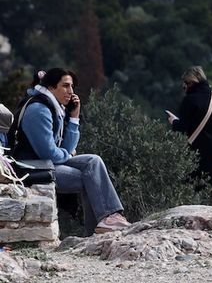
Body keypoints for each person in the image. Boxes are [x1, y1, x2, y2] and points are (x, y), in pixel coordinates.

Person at [7, 68, 130, 235]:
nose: (71, 91)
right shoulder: (39, 110)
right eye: (65, 86)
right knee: (90, 177)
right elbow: (49, 153)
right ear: (51, 87)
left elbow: (66, 148)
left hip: (47, 163)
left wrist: (74, 117)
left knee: (93, 161)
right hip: (32, 167)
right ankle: (101, 225)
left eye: (72, 86)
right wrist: (67, 154)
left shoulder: (54, 107)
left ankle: (106, 220)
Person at [165, 65, 212, 190]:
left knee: (191, 191)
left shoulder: (190, 101)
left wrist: (174, 122)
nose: (184, 87)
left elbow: (182, 128)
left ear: (191, 83)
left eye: (185, 84)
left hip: (195, 156)